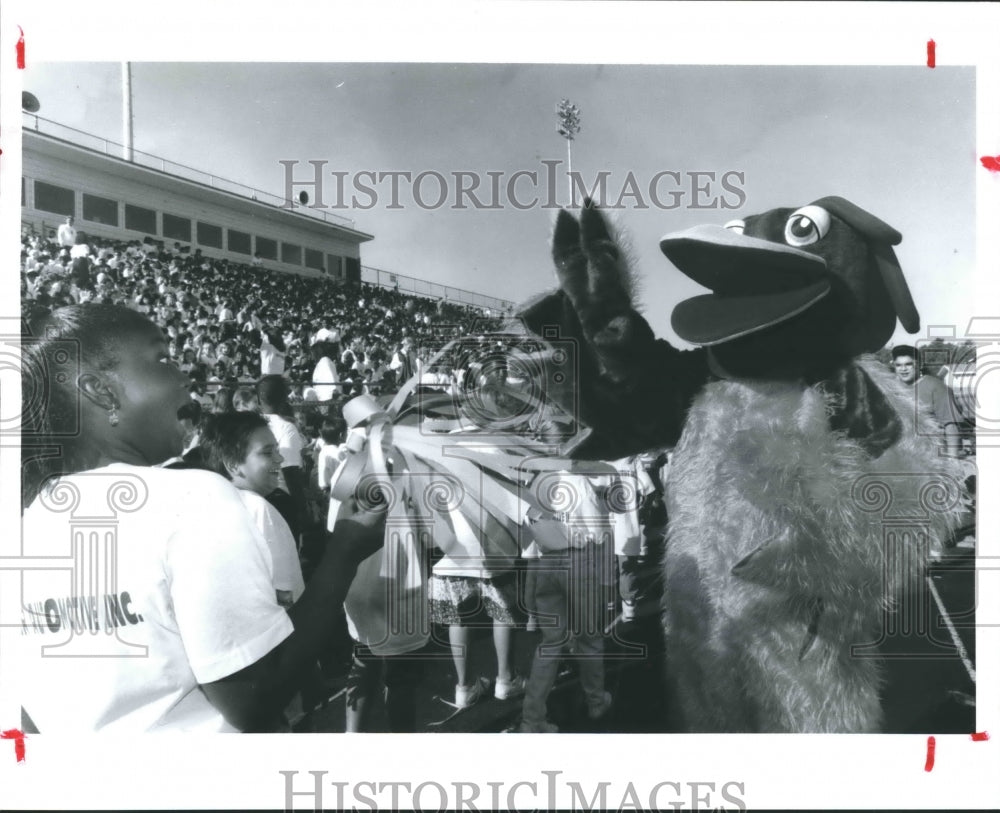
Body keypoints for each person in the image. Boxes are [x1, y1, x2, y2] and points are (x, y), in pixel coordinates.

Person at [15, 303, 384, 733]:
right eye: (162, 358)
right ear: (101, 392)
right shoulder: (192, 497)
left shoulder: (25, 524)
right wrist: (345, 552)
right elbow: (254, 701)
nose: (184, 375)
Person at [891, 344, 964, 456]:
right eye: (899, 365)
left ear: (919, 365)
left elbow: (951, 425)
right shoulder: (890, 388)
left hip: (931, 456)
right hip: (901, 456)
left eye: (909, 364)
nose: (903, 369)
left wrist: (953, 459)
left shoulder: (935, 386)